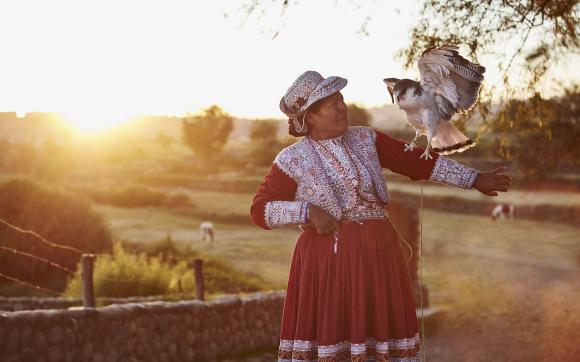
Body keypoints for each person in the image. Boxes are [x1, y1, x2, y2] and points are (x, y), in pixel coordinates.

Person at [249, 71, 511, 361]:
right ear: (310, 116)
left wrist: (474, 179)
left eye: (341, 99)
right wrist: (307, 211)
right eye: (332, 104)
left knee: (382, 342)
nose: (342, 107)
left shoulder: (366, 138)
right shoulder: (292, 159)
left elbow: (416, 162)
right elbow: (260, 210)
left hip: (379, 255)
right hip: (327, 265)